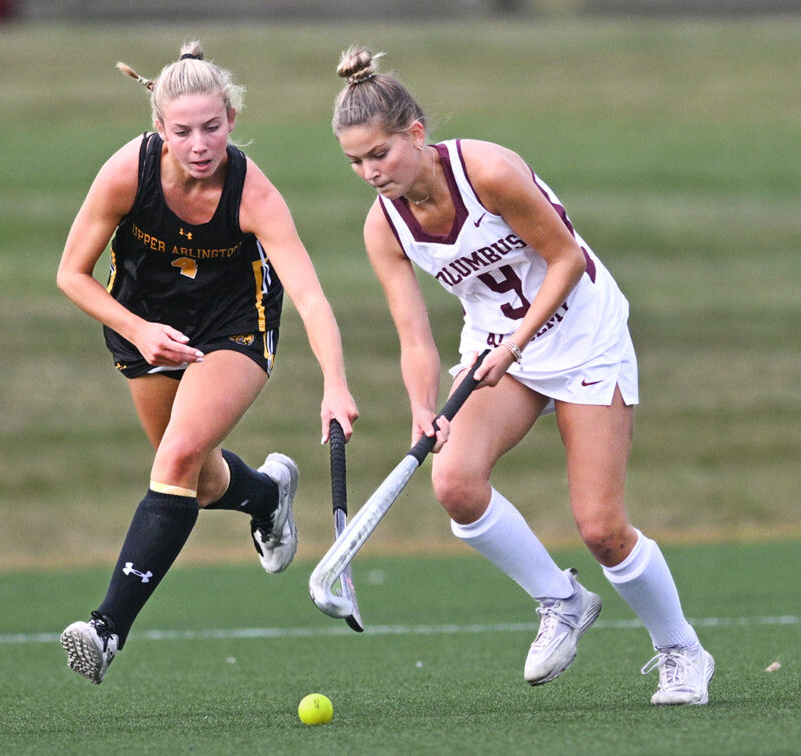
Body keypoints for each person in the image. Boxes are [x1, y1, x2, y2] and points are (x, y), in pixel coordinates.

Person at [330, 46, 714, 705]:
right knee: (454, 482)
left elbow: (565, 260)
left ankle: (681, 649)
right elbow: (413, 332)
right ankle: (560, 600)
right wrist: (423, 405)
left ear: (415, 134)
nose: (370, 172)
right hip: (495, 348)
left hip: (583, 339)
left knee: (600, 526)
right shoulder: (384, 225)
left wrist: (515, 346)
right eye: (357, 161)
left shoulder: (491, 172)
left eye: (379, 155)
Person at [56, 41, 357, 685]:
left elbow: (309, 294)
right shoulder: (127, 172)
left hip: (233, 326)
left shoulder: (254, 194)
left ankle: (106, 630)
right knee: (196, 479)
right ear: (159, 127)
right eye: (184, 131)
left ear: (232, 119)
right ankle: (268, 496)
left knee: (175, 458)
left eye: (212, 127)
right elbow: (71, 276)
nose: (200, 144)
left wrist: (334, 383)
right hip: (142, 326)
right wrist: (140, 331)